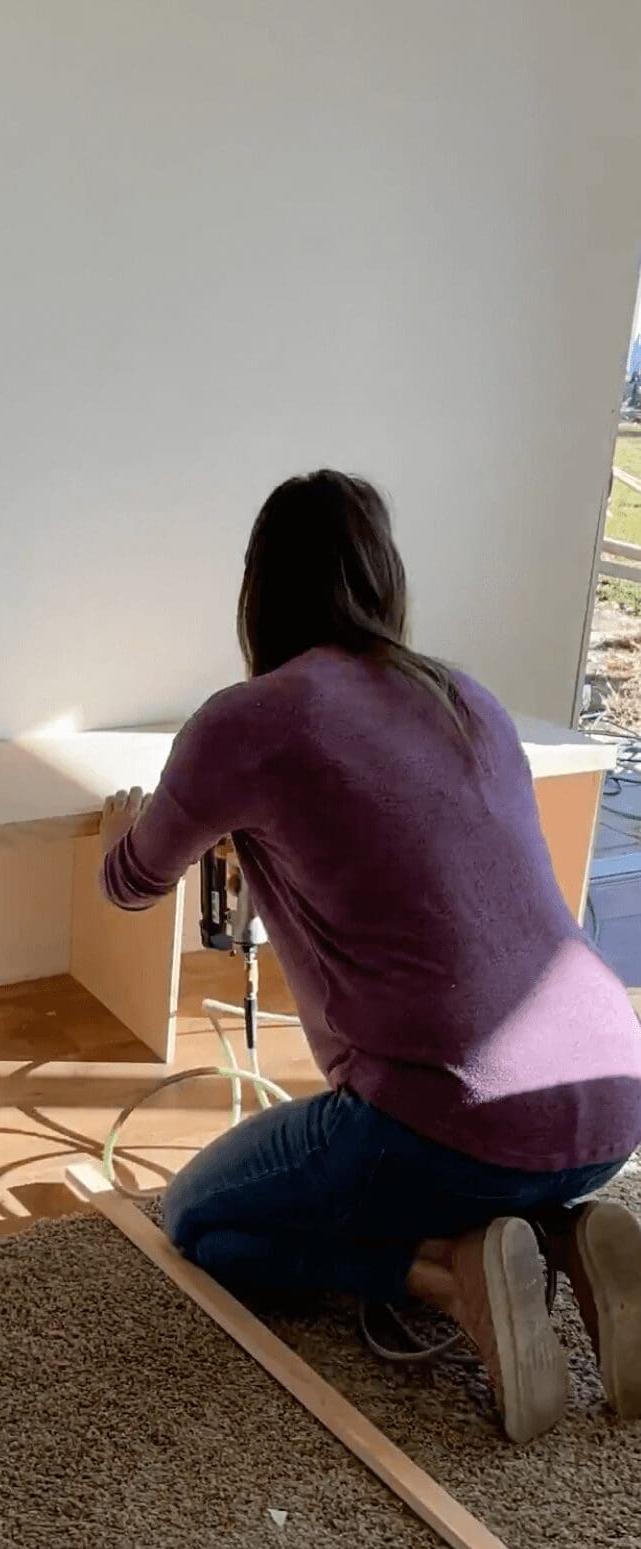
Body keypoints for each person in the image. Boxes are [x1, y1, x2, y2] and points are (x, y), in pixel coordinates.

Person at [99, 470, 641, 1443]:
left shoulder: (247, 721)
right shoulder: (462, 698)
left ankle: (443, 1276)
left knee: (199, 1224)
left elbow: (133, 882)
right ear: (383, 577)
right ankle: (565, 1235)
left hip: (445, 1120)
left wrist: (128, 826)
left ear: (256, 588)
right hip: (612, 1100)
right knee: (472, 1163)